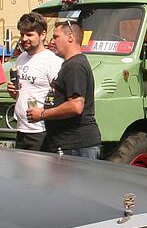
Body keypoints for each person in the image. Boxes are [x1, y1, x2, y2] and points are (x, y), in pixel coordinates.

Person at [27, 19, 101, 158]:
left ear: (70, 37)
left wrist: (42, 114)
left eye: (56, 37)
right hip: (66, 144)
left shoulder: (75, 66)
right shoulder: (69, 64)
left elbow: (76, 106)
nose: (52, 41)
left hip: (76, 146)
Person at [7, 12, 62, 151]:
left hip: (41, 131)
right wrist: (14, 92)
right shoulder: (21, 58)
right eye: (22, 34)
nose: (24, 38)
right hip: (21, 128)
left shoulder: (52, 61)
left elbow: (59, 97)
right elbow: (24, 91)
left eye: (29, 34)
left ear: (42, 35)